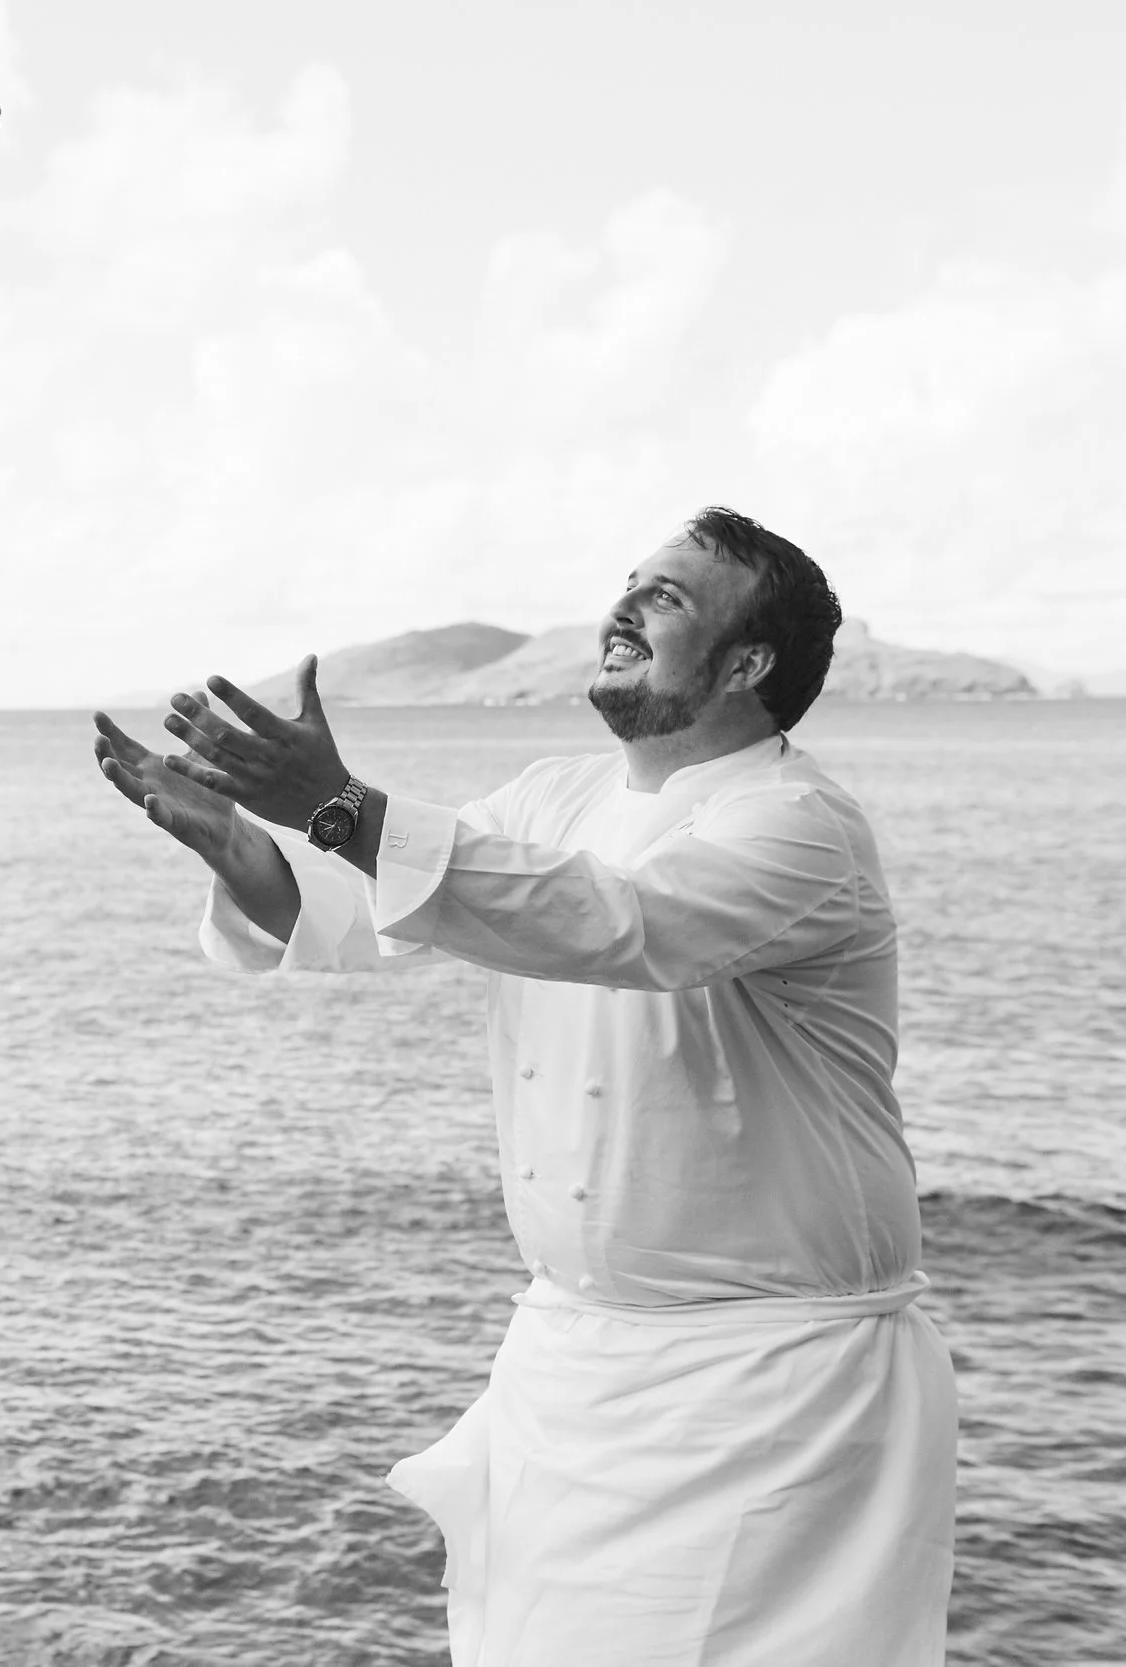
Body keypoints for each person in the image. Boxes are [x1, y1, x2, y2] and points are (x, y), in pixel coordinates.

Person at [91, 509, 956, 1665]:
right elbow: (362, 913)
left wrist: (340, 808)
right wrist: (234, 843)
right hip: (571, 1373)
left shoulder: (800, 826)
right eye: (631, 582)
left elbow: (618, 924)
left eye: (669, 597)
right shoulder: (553, 795)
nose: (626, 605)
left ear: (748, 664)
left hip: (770, 1387)